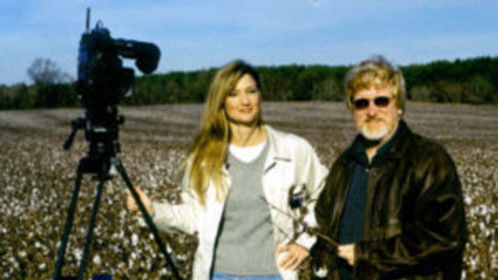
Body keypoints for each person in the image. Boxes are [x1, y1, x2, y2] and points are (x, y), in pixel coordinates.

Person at [126, 59, 328, 280]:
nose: (245, 101)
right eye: (233, 93)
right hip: (218, 275)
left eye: (251, 91)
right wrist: (151, 210)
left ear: (260, 95)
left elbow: (325, 196)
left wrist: (304, 243)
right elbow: (193, 217)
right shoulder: (204, 157)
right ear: (221, 101)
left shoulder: (293, 150)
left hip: (274, 274)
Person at [311, 56, 467, 280]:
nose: (372, 111)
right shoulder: (344, 165)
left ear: (400, 107)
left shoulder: (429, 160)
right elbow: (325, 229)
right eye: (362, 103)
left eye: (382, 101)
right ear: (351, 110)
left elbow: (445, 240)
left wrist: (368, 257)